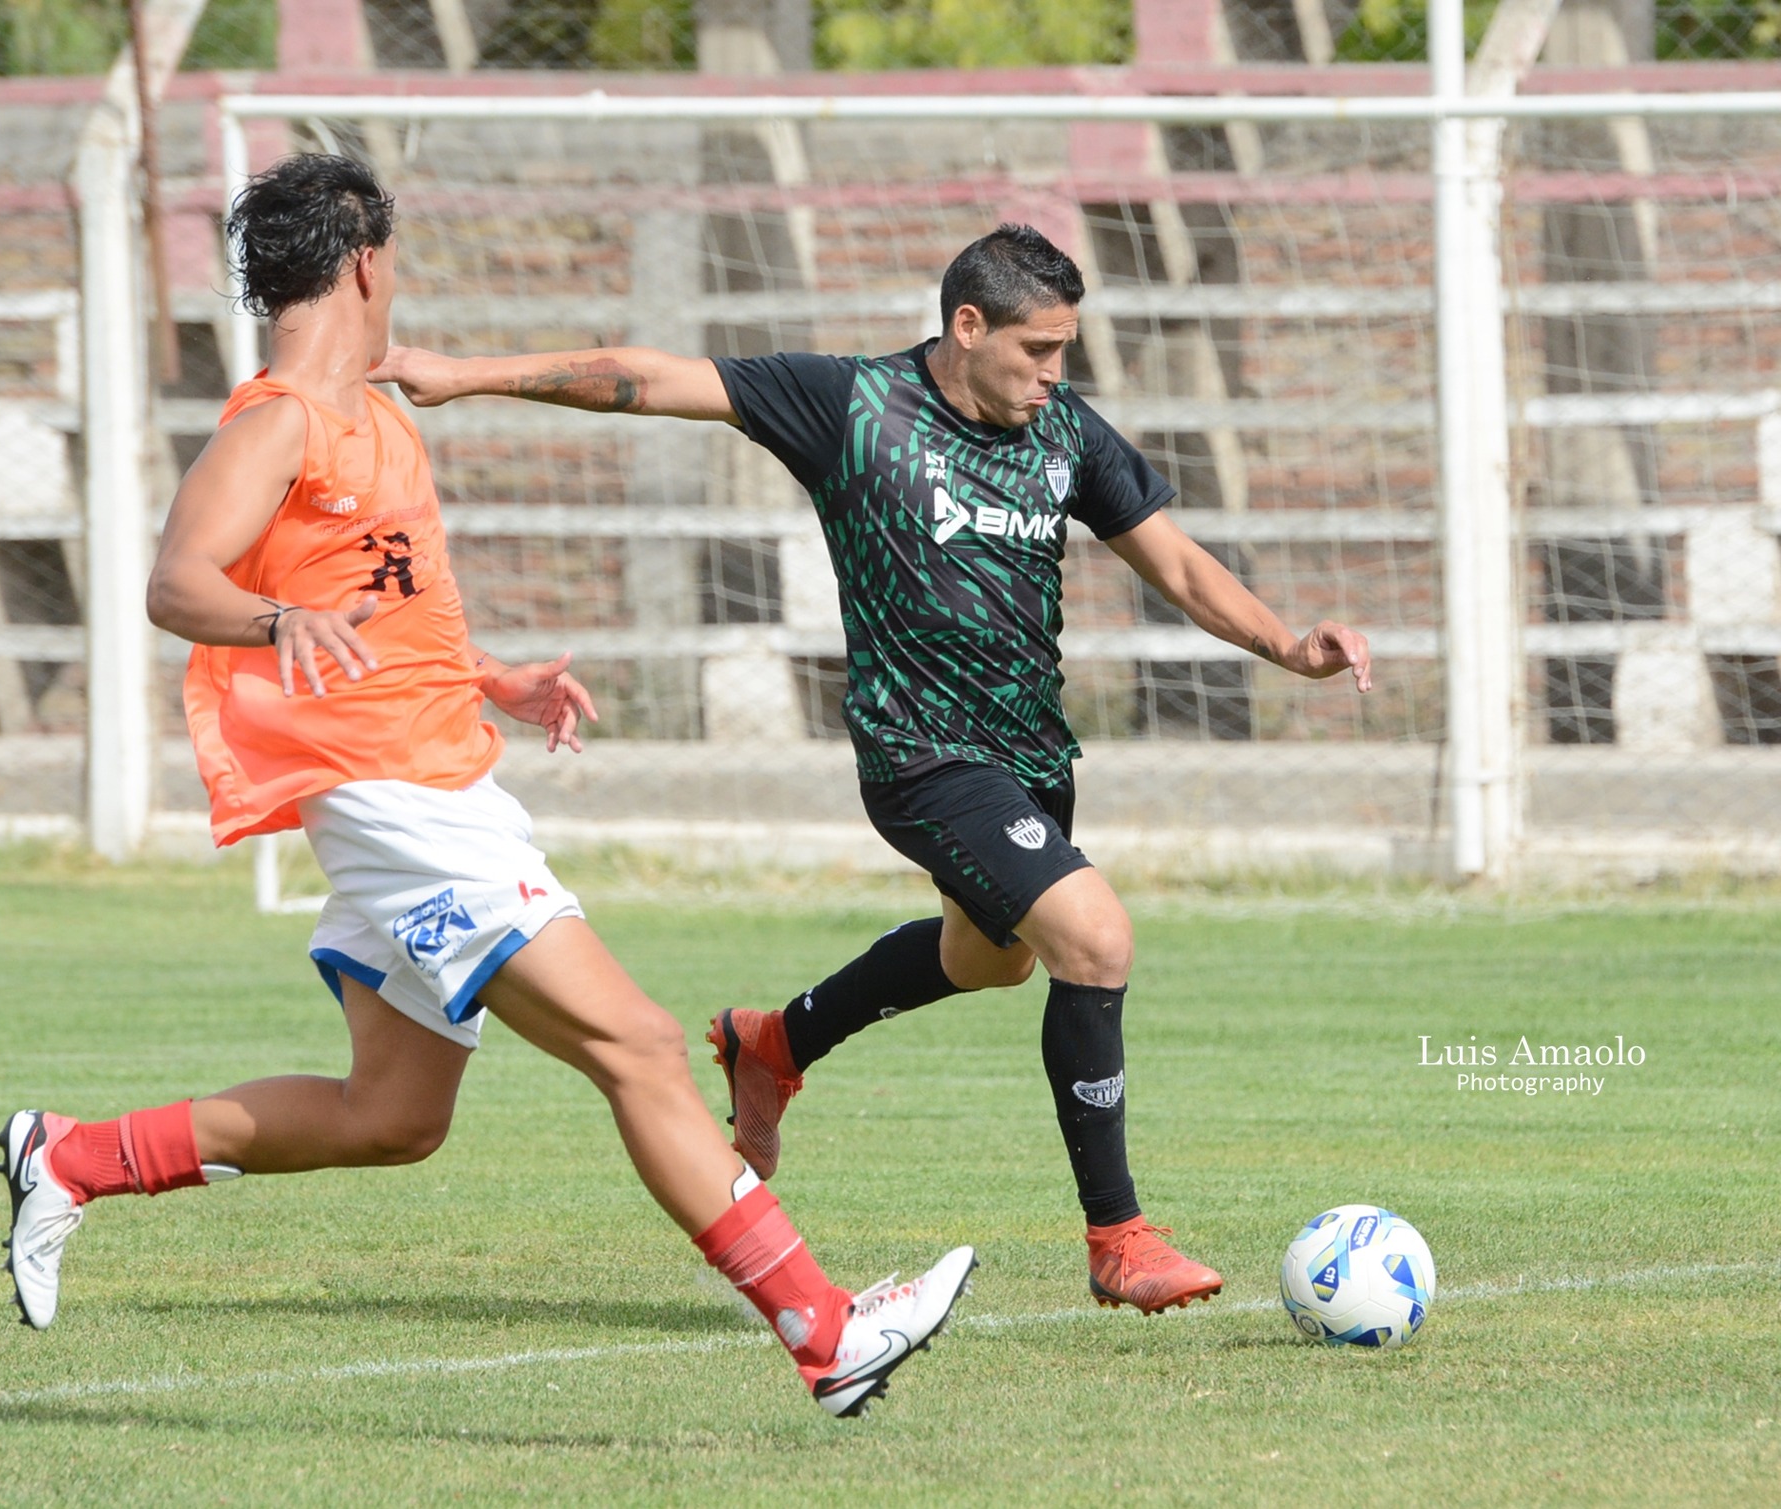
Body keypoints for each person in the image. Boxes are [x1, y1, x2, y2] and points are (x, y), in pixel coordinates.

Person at [0, 154, 975, 1420]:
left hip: (434, 777)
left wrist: (489, 676)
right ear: (364, 262)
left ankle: (70, 1157)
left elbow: (388, 610)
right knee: (637, 1045)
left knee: (391, 1115)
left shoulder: (377, 415)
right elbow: (175, 581)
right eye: (393, 258)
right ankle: (823, 1332)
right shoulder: (279, 417)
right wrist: (273, 616)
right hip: (395, 803)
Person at [369, 223, 1374, 1318]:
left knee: (989, 963)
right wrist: (462, 376)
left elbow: (1172, 558)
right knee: (1094, 939)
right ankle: (1117, 1236)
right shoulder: (850, 405)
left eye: (1064, 353)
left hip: (1030, 752)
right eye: (1036, 350)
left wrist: (1286, 646)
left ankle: (773, 1043)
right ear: (965, 325)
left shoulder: (1064, 432)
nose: (1053, 374)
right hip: (918, 753)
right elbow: (652, 378)